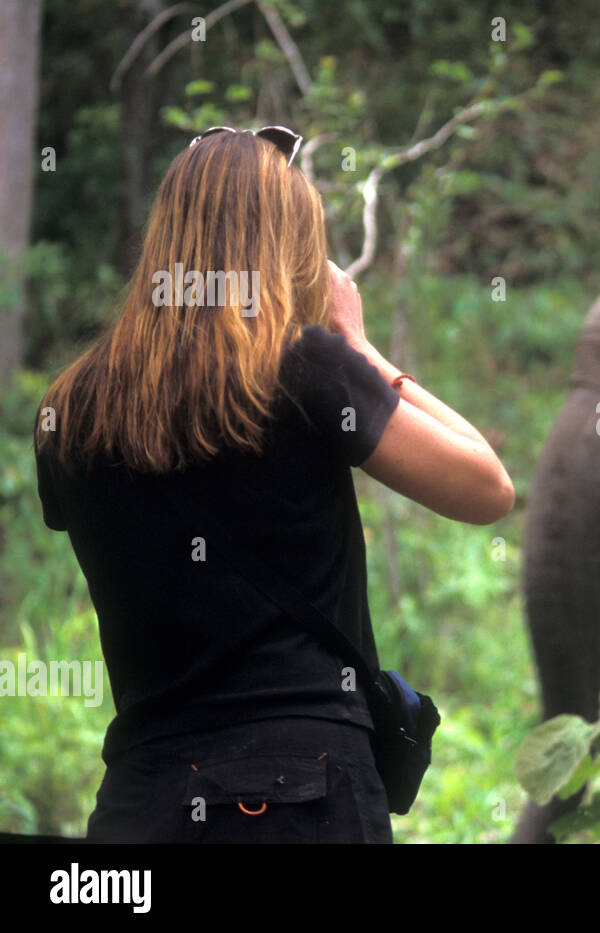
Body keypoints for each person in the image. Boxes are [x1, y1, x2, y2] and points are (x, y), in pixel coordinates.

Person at [32, 126, 514, 842]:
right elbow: (486, 484)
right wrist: (362, 349)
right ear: (283, 243)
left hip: (142, 802)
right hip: (305, 790)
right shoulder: (304, 370)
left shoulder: (67, 410)